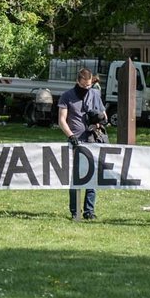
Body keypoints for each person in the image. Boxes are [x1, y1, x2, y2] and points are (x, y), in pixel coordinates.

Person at [57, 68, 108, 221]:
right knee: (75, 178)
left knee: (92, 176)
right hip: (76, 141)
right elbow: (61, 120)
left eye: (89, 85)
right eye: (84, 85)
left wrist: (98, 121)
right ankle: (75, 211)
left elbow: (104, 117)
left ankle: (89, 211)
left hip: (92, 140)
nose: (87, 88)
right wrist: (71, 136)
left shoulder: (95, 94)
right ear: (78, 81)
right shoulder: (67, 96)